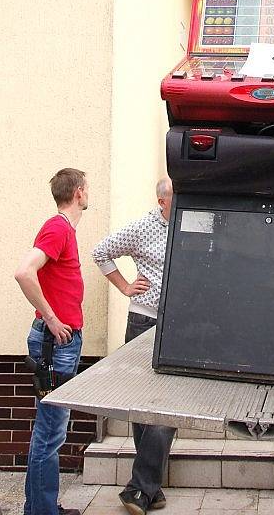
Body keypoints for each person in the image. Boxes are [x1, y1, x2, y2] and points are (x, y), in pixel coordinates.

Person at [92, 176, 174, 514]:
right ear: (161, 201)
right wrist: (126, 286)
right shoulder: (143, 227)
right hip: (144, 321)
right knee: (147, 404)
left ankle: (143, 488)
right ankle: (145, 488)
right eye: (175, 196)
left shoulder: (192, 221)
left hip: (178, 326)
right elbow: (101, 253)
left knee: (167, 404)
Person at [14, 168, 89, 515]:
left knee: (48, 431)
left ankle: (39, 508)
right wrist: (53, 318)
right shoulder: (58, 227)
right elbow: (23, 272)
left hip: (58, 343)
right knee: (50, 433)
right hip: (54, 344)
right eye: (86, 188)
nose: (88, 193)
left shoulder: (63, 230)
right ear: (77, 192)